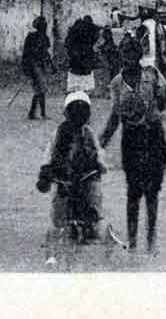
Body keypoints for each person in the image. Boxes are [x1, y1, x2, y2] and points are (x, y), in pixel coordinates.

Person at [100, 34, 166, 252]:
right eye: (125, 54)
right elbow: (115, 116)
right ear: (121, 56)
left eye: (133, 53)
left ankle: (151, 238)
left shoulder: (151, 74)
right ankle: (132, 240)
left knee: (152, 191)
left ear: (139, 55)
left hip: (153, 136)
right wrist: (101, 142)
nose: (129, 58)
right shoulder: (117, 83)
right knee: (133, 190)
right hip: (131, 138)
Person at [37, 91, 107, 246]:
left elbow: (98, 150)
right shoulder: (59, 132)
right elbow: (49, 152)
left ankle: (92, 220)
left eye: (82, 112)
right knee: (58, 215)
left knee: (93, 194)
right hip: (64, 176)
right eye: (74, 111)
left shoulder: (88, 133)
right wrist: (45, 172)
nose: (78, 116)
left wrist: (99, 164)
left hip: (85, 174)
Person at [22, 16, 56, 120]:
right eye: (43, 25)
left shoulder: (45, 38)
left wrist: (52, 65)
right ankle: (40, 113)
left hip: (41, 66)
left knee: (40, 90)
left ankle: (34, 113)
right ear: (38, 26)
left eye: (45, 25)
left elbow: (46, 53)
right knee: (41, 89)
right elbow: (26, 53)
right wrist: (26, 68)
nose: (45, 27)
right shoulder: (31, 37)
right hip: (33, 65)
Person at [64, 15, 99, 95]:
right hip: (83, 56)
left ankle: (76, 89)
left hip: (78, 56)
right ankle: (83, 90)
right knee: (84, 72)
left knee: (78, 72)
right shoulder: (90, 30)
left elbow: (67, 43)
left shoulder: (75, 30)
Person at [94, 26, 119, 96]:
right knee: (109, 77)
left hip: (111, 62)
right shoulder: (107, 43)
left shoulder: (108, 43)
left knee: (110, 77)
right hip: (109, 62)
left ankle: (108, 92)